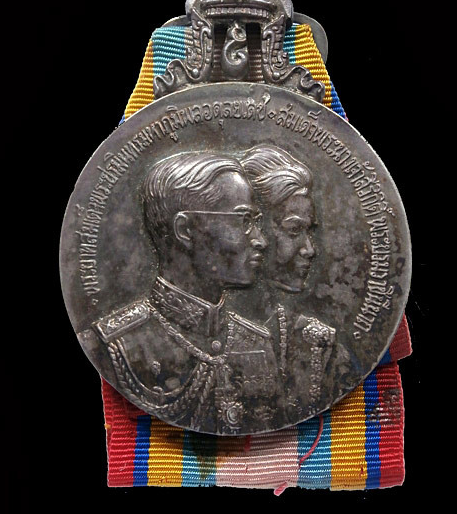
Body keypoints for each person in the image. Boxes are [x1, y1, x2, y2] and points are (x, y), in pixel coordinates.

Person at [94, 151, 281, 434]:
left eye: (256, 221)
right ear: (185, 230)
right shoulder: (116, 344)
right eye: (244, 220)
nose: (260, 240)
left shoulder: (257, 341)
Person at [240, 145, 339, 421]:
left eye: (309, 231)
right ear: (252, 228)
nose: (310, 250)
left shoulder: (318, 345)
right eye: (294, 230)